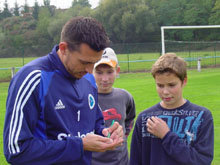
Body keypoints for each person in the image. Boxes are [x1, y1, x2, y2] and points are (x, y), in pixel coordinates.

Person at [3, 16, 124, 164]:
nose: (89, 70)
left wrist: (107, 133)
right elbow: (16, 150)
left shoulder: (89, 79)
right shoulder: (33, 79)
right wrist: (80, 145)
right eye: (84, 62)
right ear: (63, 48)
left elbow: (95, 126)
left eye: (94, 63)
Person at [130, 53, 214, 165]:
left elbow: (201, 160)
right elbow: (135, 160)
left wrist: (166, 136)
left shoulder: (202, 116)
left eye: (171, 85)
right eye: (160, 85)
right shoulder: (145, 118)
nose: (165, 92)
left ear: (184, 81)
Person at [92, 47, 136, 165]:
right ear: (91, 71)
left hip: (121, 161)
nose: (105, 79)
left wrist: (123, 136)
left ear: (117, 71)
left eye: (110, 72)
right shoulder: (85, 98)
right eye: (99, 72)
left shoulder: (125, 96)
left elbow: (130, 118)